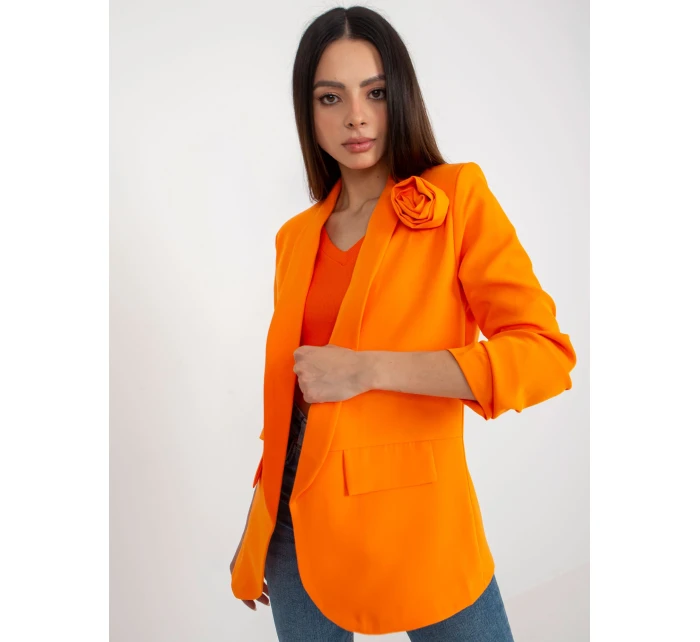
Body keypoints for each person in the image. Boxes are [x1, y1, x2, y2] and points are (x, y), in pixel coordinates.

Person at [230, 5, 576, 640]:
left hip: (419, 524)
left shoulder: (457, 197)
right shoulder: (295, 236)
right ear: (308, 112)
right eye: (330, 97)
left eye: (375, 92)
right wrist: (258, 527)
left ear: (402, 97)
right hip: (294, 523)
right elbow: (288, 405)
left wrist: (368, 370)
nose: (355, 117)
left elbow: (544, 355)